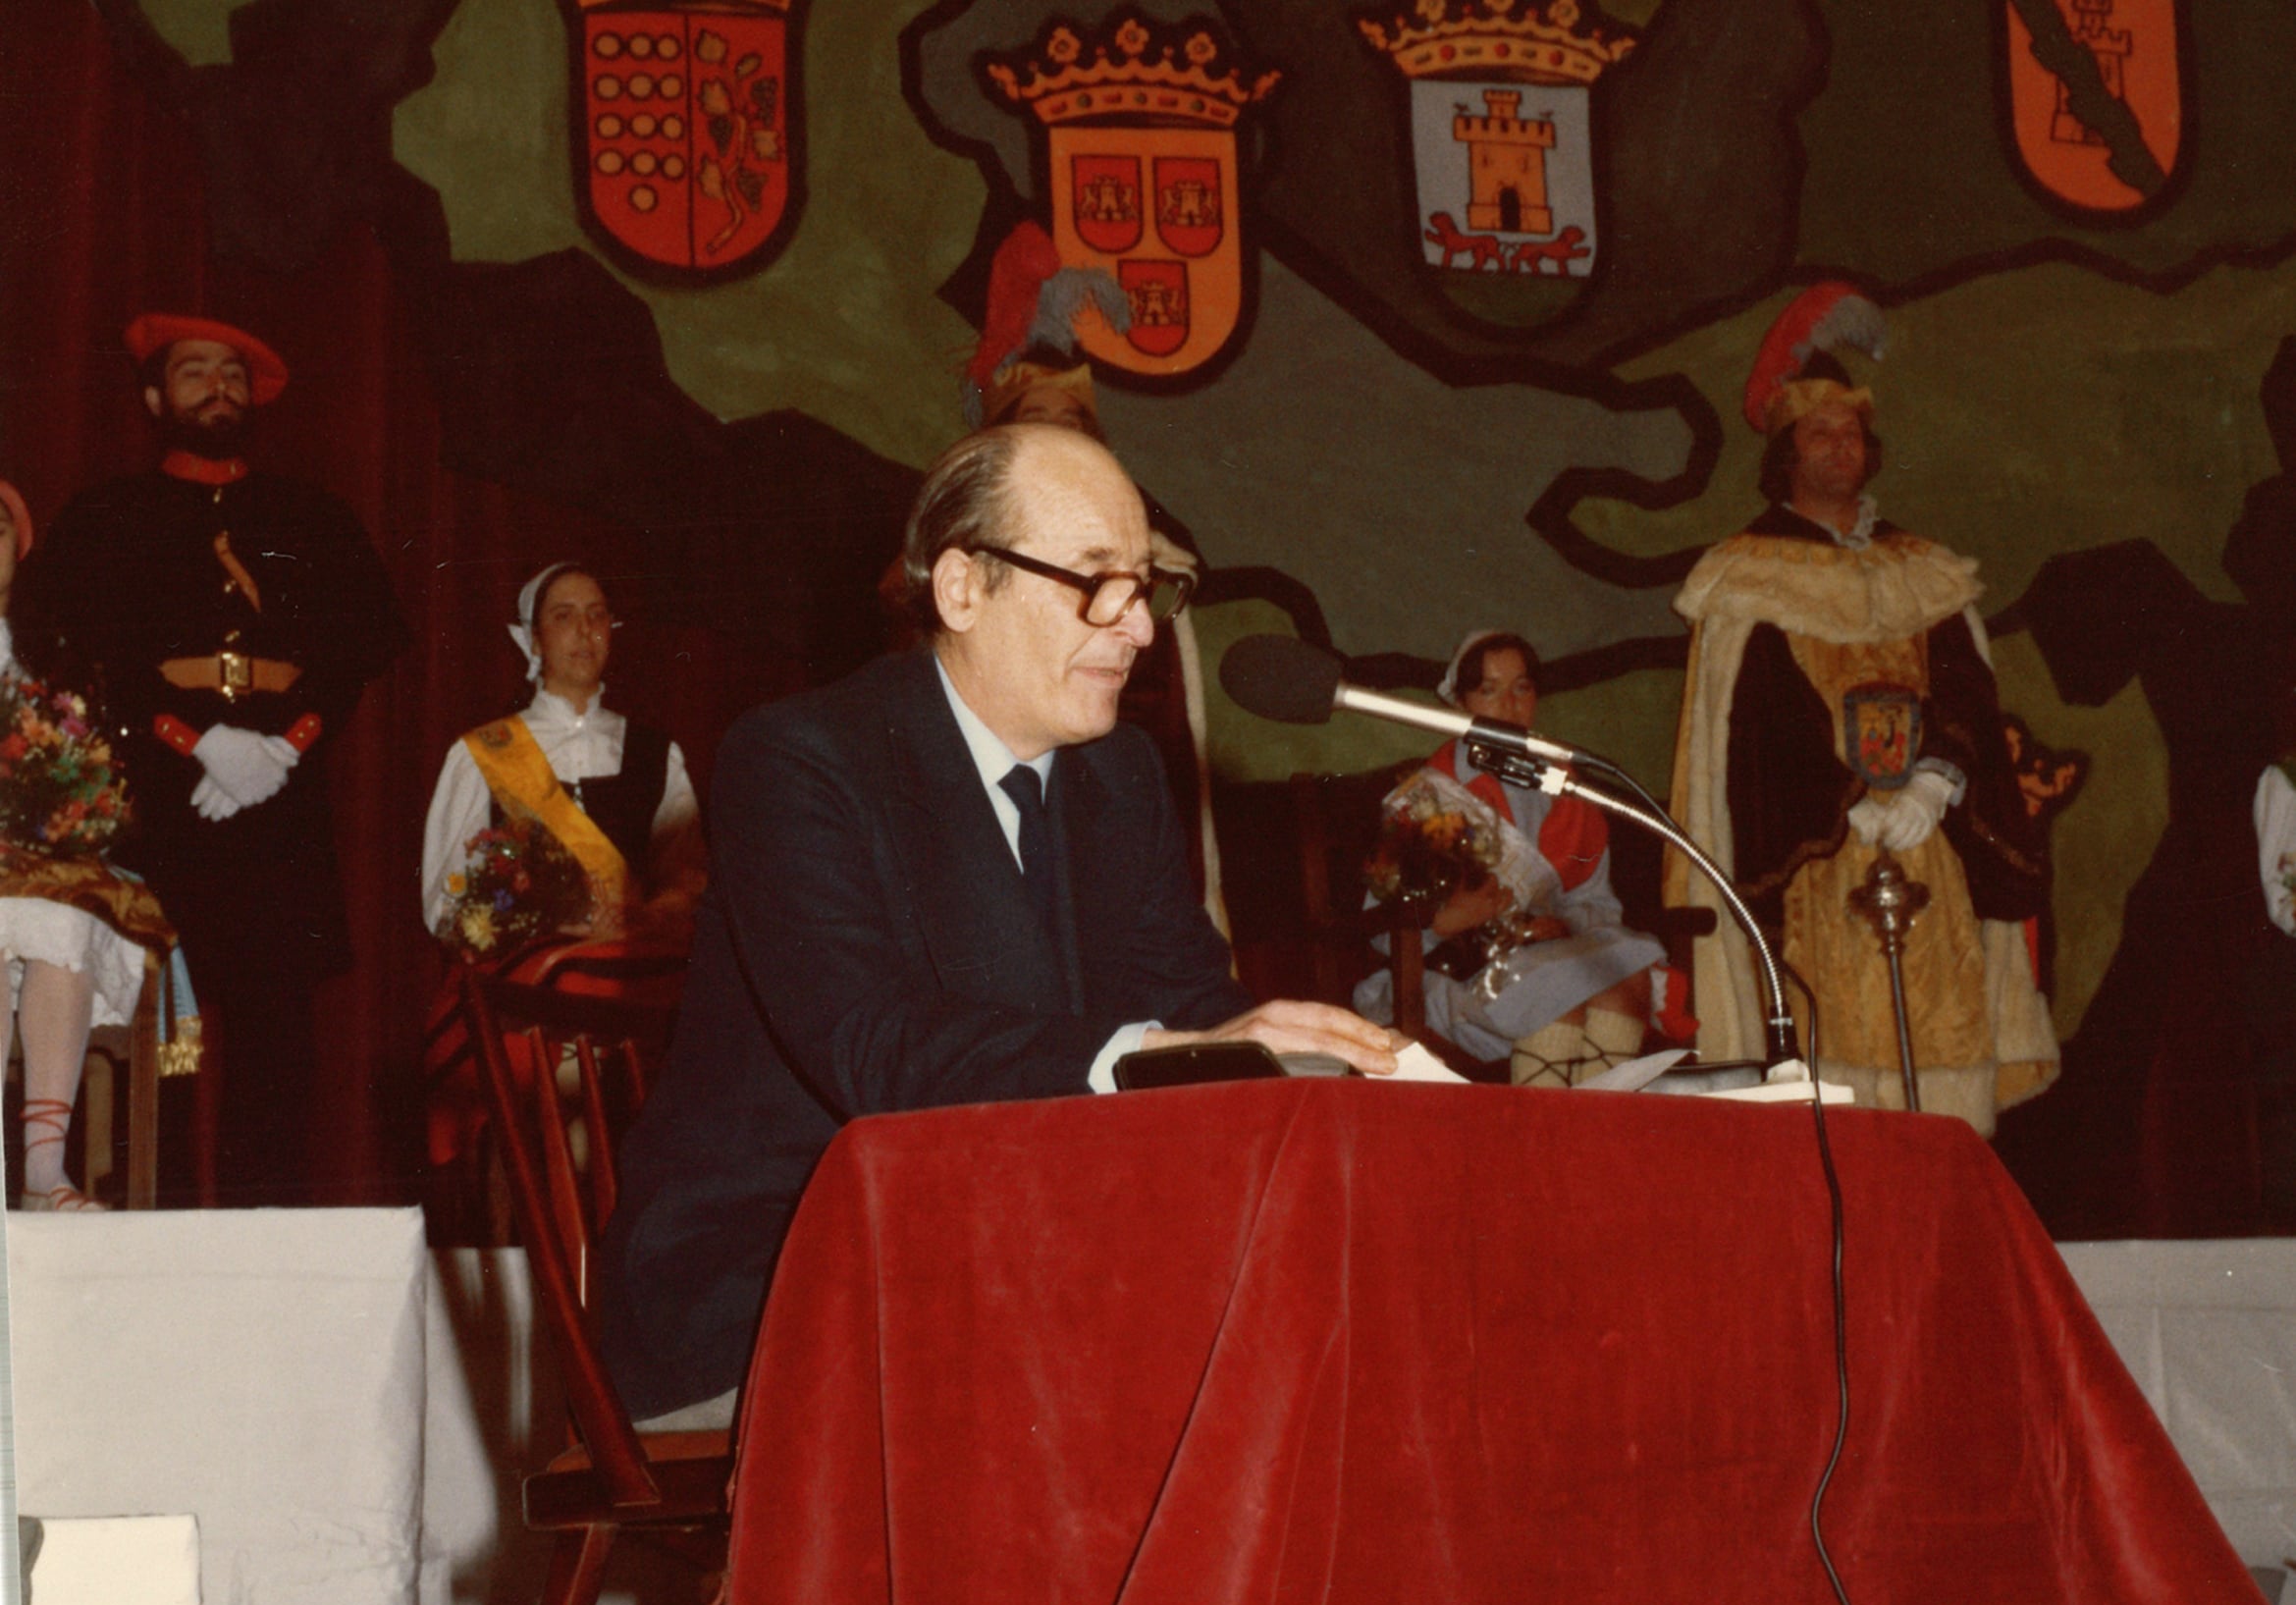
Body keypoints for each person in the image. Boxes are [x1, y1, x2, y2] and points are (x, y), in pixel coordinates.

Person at [593, 422, 1401, 1423]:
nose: (1138, 627)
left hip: (1028, 1256)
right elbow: (876, 1048)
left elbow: (1194, 1004)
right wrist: (1160, 1055)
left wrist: (1325, 1062)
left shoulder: (1120, 776)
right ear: (963, 588)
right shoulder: (799, 761)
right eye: (1096, 579)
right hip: (779, 1278)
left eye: (1145, 586)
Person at [16, 313, 410, 1204]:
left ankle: (264, 1224)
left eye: (232, 373)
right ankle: (160, 1216)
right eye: (196, 372)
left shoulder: (311, 515)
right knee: (165, 1018)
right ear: (156, 397)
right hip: (164, 800)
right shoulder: (109, 514)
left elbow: (353, 656)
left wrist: (283, 746)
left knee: (281, 1026)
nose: (218, 387)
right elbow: (87, 655)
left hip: (282, 792)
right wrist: (200, 742)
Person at [1664, 284, 2056, 1134]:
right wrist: (1853, 799)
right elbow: (1759, 717)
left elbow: (1964, 684)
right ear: (1785, 451)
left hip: (1927, 838)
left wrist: (1932, 785)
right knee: (1834, 1053)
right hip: (1820, 853)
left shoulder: (1919, 563)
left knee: (1941, 1033)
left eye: (1851, 432)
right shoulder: (1749, 571)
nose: (1839, 447)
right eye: (1819, 432)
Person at [1354, 630, 1667, 1086]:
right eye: (1489, 690)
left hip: (1544, 957)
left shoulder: (1565, 787)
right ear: (1460, 703)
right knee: (1562, 993)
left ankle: (1590, 1139)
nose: (1509, 705)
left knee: (1626, 977)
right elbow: (1381, 928)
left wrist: (1562, 924)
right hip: (1450, 973)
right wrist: (1445, 921)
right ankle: (1542, 1141)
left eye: (1522, 688)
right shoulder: (1429, 795)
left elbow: (1598, 904)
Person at [0, 481, 175, 1210]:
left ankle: (44, 1172)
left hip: (32, 860)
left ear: (19, 547)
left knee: (66, 919)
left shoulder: (54, 654)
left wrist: (70, 804)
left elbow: (88, 765)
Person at [420, 562, 703, 944]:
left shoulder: (657, 754)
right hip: (525, 987)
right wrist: (542, 927)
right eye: (564, 617)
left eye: (596, 615)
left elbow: (687, 883)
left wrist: (645, 917)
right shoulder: (479, 754)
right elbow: (446, 906)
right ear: (534, 640)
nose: (584, 631)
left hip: (636, 984)